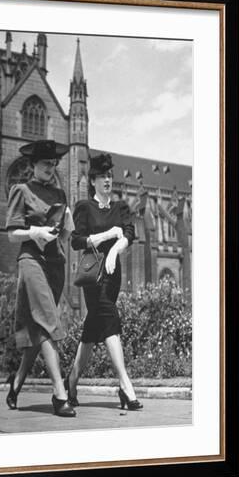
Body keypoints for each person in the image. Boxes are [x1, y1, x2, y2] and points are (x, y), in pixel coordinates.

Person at [66, 153, 143, 411]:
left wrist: (114, 249)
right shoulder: (84, 207)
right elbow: (76, 240)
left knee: (92, 328)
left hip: (113, 273)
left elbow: (130, 233)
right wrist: (106, 236)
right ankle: (125, 385)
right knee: (110, 318)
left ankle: (72, 380)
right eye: (103, 176)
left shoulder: (120, 207)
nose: (108, 180)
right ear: (93, 181)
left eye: (110, 176)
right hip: (93, 275)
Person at [5, 139, 76, 417]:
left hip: (55, 264)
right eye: (46, 163)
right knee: (48, 320)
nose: (51, 167)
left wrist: (66, 227)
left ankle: (16, 383)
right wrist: (35, 233)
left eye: (53, 163)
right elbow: (12, 234)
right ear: (33, 165)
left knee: (38, 333)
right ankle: (60, 393)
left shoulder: (60, 192)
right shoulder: (20, 190)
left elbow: (67, 232)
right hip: (31, 260)